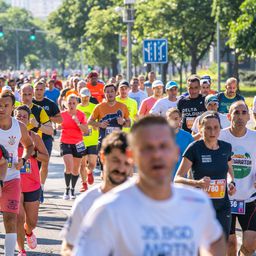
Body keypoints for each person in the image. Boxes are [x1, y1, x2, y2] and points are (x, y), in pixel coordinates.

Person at [74, 115, 226, 256]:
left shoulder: (197, 202)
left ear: (176, 152)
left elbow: (215, 242)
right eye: (147, 148)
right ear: (131, 155)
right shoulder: (109, 208)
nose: (157, 155)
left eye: (163, 146)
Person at [60, 131, 131, 255]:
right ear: (102, 157)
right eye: (115, 160)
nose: (121, 168)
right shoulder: (85, 201)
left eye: (127, 163)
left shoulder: (143, 198)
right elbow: (68, 247)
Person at [174, 111, 236, 239]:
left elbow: (230, 172)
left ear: (220, 129)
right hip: (200, 206)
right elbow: (177, 178)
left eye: (215, 128)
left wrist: (231, 183)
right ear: (201, 129)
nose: (212, 132)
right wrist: (197, 183)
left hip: (222, 207)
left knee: (221, 245)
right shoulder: (194, 148)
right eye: (208, 128)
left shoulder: (226, 148)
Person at [219, 101, 256, 256]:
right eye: (236, 112)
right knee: (230, 245)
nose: (240, 116)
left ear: (249, 116)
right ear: (229, 116)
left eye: (243, 112)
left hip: (249, 198)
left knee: (251, 244)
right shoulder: (220, 136)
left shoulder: (254, 137)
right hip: (225, 199)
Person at [0, 91, 33, 256]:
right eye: (0, 105)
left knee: (11, 219)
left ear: (13, 107)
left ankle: (9, 254)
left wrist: (23, 159)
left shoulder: (19, 126)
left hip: (12, 177)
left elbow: (29, 146)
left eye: (6, 105)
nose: (2, 108)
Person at [14, 105, 49, 256]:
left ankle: (28, 233)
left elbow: (46, 158)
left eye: (24, 116)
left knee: (32, 222)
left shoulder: (34, 137)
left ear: (28, 120)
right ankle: (22, 250)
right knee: (18, 217)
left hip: (32, 184)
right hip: (13, 184)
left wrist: (33, 153)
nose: (21, 118)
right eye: (18, 115)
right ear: (14, 117)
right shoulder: (7, 137)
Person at [32, 80, 62, 202]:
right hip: (31, 137)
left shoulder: (50, 104)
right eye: (37, 89)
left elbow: (60, 120)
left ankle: (41, 188)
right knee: (33, 164)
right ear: (33, 90)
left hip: (46, 138)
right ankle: (33, 188)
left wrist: (48, 118)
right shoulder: (29, 103)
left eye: (41, 89)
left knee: (44, 163)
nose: (39, 92)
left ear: (44, 90)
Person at [59, 95, 88, 200]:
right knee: (69, 167)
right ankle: (66, 189)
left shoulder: (81, 115)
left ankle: (72, 189)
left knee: (76, 169)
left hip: (78, 143)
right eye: (69, 103)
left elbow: (86, 130)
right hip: (65, 142)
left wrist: (78, 123)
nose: (71, 105)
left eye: (73, 103)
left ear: (77, 104)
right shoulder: (62, 114)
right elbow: (56, 123)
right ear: (66, 103)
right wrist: (57, 126)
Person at [88, 83, 130, 151]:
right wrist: (100, 124)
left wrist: (123, 122)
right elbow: (89, 121)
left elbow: (129, 123)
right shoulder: (99, 107)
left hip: (118, 142)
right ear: (104, 94)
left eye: (112, 91)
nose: (110, 94)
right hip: (103, 143)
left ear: (116, 93)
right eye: (107, 92)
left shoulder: (123, 106)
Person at [76, 88, 99, 192]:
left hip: (93, 139)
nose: (85, 98)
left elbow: (98, 121)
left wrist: (95, 126)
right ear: (80, 96)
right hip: (80, 140)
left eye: (87, 96)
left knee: (93, 163)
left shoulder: (95, 107)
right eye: (83, 96)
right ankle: (84, 184)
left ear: (90, 97)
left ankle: (90, 172)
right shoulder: (77, 108)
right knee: (82, 163)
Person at [166, 108, 193, 179]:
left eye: (176, 118)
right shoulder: (161, 136)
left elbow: (193, 159)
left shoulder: (188, 137)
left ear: (180, 119)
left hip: (183, 179)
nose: (173, 121)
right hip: (165, 179)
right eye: (170, 119)